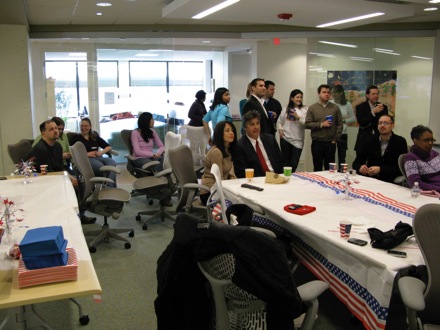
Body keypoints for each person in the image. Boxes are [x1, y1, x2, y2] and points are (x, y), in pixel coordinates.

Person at [28, 119, 96, 224]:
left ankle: (79, 214)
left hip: (55, 174)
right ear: (43, 134)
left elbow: (60, 167)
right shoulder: (40, 149)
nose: (56, 131)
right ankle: (70, 216)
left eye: (56, 128)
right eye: (51, 129)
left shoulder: (57, 146)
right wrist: (68, 179)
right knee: (74, 185)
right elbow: (48, 173)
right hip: (41, 179)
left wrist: (71, 177)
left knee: (80, 181)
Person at [352, 114, 408, 183]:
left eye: (386, 123)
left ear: (392, 126)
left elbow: (401, 169)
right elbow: (356, 162)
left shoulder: (400, 142)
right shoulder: (369, 141)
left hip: (389, 181)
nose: (382, 125)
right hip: (370, 179)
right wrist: (360, 167)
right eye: (380, 123)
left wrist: (381, 170)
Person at [69, 117, 117, 187]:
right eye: (82, 126)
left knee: (111, 162)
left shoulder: (94, 136)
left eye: (86, 126)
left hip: (98, 157)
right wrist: (87, 154)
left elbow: (108, 147)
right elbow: (73, 153)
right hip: (86, 160)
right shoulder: (75, 138)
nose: (84, 128)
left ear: (90, 126)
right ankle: (110, 187)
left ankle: (109, 186)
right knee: (101, 167)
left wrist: (101, 152)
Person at [234, 110, 284, 178]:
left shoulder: (270, 139)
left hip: (276, 177)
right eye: (252, 124)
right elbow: (241, 172)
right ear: (245, 128)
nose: (256, 127)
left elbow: (281, 162)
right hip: (257, 181)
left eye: (257, 123)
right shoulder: (240, 145)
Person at [305, 84, 343, 171]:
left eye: (328, 92)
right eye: (324, 92)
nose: (326, 94)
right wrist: (321, 125)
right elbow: (307, 124)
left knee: (330, 170)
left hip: (331, 143)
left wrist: (335, 140)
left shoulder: (335, 108)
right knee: (317, 168)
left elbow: (340, 124)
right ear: (319, 94)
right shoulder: (312, 108)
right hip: (317, 143)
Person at [199, 121, 238, 205]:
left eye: (232, 130)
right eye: (227, 131)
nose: (231, 133)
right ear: (220, 134)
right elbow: (219, 180)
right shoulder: (216, 152)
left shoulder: (228, 150)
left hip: (220, 189)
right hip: (209, 193)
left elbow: (231, 173)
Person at [277, 89, 308, 172]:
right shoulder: (286, 109)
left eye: (301, 97)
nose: (299, 99)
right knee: (285, 163)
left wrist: (297, 117)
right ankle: (284, 179)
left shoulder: (304, 109)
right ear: (292, 98)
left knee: (294, 163)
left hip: (298, 140)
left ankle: (290, 177)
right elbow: (280, 121)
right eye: (297, 97)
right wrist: (280, 130)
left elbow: (306, 124)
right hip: (285, 139)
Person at [404, 125, 440, 192]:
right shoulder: (410, 159)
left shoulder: (435, 154)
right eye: (426, 140)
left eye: (432, 140)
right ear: (415, 141)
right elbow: (416, 184)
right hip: (433, 193)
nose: (430, 143)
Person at [354, 85, 388, 153]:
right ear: (367, 95)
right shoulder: (360, 107)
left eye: (377, 94)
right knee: (361, 162)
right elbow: (362, 123)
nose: (376, 96)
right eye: (373, 94)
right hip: (363, 139)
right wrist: (373, 112)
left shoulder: (383, 107)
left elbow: (383, 123)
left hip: (378, 139)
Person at [330, 85, 356, 169]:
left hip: (343, 133)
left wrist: (344, 121)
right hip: (331, 133)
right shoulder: (330, 103)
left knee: (342, 157)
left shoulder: (347, 104)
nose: (333, 94)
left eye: (335, 92)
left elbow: (353, 118)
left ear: (341, 93)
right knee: (331, 157)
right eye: (332, 92)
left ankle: (342, 175)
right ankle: (331, 176)